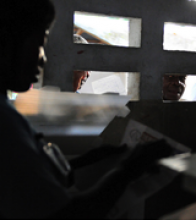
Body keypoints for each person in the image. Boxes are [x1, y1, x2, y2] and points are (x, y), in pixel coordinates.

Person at [0, 1, 173, 219]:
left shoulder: (9, 113)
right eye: (38, 43)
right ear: (5, 44)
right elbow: (70, 215)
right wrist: (129, 170)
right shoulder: (5, 124)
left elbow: (32, 176)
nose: (43, 58)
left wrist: (91, 158)